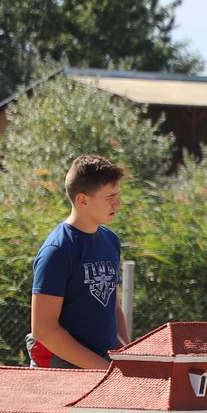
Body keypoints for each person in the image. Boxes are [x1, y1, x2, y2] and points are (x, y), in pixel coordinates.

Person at [29, 155, 128, 370]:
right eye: (110, 197)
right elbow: (43, 329)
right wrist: (103, 369)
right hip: (60, 373)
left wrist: (127, 356)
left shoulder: (111, 240)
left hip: (101, 367)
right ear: (83, 200)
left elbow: (114, 306)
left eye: (117, 196)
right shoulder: (57, 250)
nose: (117, 204)